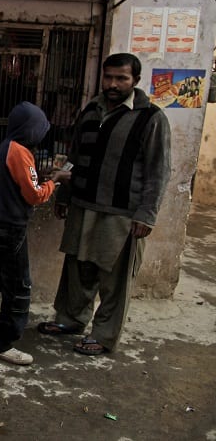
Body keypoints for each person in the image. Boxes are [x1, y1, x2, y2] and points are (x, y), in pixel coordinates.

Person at [38, 53, 171, 356]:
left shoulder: (151, 118)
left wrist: (146, 215)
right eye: (108, 77)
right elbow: (74, 156)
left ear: (135, 81)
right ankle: (71, 320)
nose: (113, 84)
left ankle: (104, 335)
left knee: (114, 280)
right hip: (83, 204)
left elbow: (158, 171)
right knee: (78, 269)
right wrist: (64, 195)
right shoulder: (91, 111)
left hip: (122, 214)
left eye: (121, 78)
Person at [0, 101, 70, 366]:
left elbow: (21, 181)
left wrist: (41, 177)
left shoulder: (6, 147)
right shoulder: (20, 152)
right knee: (19, 286)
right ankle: (1, 341)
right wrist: (55, 181)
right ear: (31, 130)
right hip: (12, 226)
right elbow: (34, 195)